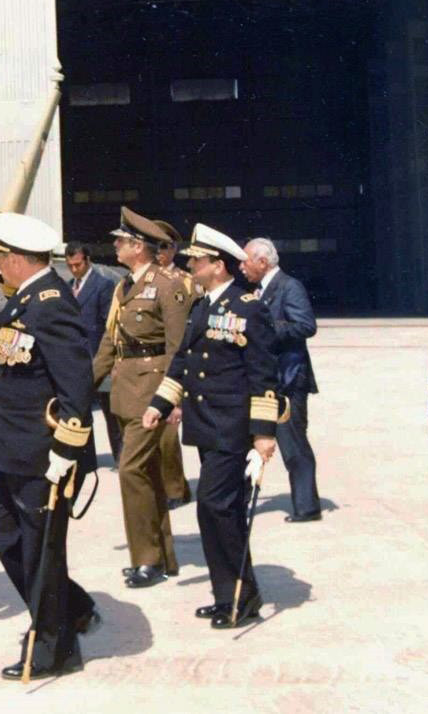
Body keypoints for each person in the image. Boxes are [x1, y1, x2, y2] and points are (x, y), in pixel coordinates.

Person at [0, 214, 97, 681]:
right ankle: (72, 608)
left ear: (17, 259)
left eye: (1, 257)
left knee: (40, 550)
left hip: (41, 451)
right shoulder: (27, 296)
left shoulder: (49, 303)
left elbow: (76, 383)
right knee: (5, 534)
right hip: (14, 445)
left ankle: (53, 649)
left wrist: (66, 448)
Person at [143, 223, 281, 629]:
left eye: (197, 261)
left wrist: (264, 433)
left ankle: (238, 596)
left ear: (218, 265)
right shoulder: (202, 306)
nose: (191, 266)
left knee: (215, 506)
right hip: (207, 425)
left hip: (233, 427)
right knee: (219, 512)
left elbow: (263, 374)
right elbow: (184, 362)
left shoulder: (248, 307)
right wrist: (160, 403)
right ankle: (232, 596)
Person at [92, 207, 190, 588]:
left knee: (130, 470)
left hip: (152, 393)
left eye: (122, 240)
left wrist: (173, 399)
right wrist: (82, 385)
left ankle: (147, 559)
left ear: (138, 246)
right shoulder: (123, 287)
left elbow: (178, 348)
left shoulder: (167, 285)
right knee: (145, 474)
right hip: (125, 392)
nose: (115, 245)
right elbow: (110, 343)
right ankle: (161, 558)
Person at [242, 237, 322, 523]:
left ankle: (307, 506)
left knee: (293, 444)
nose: (241, 267)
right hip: (265, 379)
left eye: (246, 261)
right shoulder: (258, 290)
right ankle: (240, 502)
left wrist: (264, 327)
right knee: (250, 441)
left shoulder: (289, 286)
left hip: (288, 379)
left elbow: (306, 325)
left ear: (263, 262)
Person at [152, 219, 196, 511]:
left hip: (176, 359)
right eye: (155, 246)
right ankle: (169, 485)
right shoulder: (144, 279)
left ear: (174, 249)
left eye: (164, 246)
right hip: (148, 364)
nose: (159, 252)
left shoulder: (186, 281)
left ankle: (176, 488)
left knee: (168, 434)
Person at [64, 242, 119, 463]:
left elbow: (109, 325)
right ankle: (84, 457)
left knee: (110, 412)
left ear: (87, 261)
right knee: (79, 411)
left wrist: (110, 360)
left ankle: (120, 456)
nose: (74, 269)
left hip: (99, 358)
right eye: (70, 265)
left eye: (77, 265)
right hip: (76, 362)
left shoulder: (103, 285)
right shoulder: (68, 287)